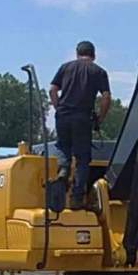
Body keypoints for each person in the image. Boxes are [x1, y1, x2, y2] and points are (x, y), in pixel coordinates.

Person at [50, 41, 111, 209]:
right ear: (94, 55)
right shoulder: (98, 71)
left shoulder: (65, 67)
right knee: (83, 158)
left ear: (77, 53)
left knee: (63, 147)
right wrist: (100, 118)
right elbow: (106, 97)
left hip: (63, 115)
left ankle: (63, 172)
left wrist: (58, 108)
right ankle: (77, 197)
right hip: (83, 118)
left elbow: (52, 90)